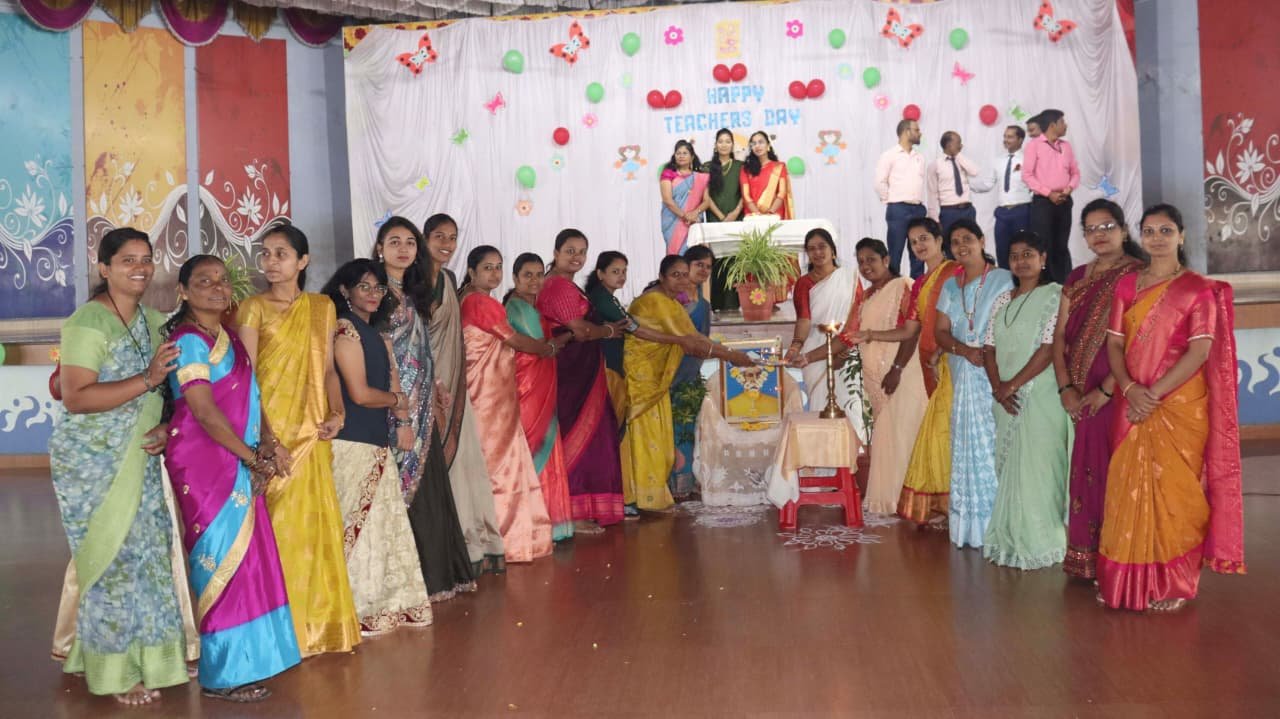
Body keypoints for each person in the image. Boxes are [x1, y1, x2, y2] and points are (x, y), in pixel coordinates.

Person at [48, 228, 189, 705]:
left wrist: (166, 425)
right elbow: (76, 397)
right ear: (104, 268)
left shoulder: (155, 321)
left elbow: (171, 389)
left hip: (141, 456)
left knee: (149, 556)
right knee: (113, 562)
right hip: (92, 462)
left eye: (146, 259)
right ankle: (114, 672)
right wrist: (146, 378)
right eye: (128, 260)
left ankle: (156, 660)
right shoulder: (88, 322)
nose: (140, 268)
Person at [162, 255, 301, 701]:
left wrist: (269, 442)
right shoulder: (187, 341)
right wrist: (252, 459)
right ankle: (222, 674)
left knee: (249, 561)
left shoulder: (229, 337)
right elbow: (203, 412)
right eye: (204, 281)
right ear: (183, 291)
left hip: (238, 457)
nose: (217, 288)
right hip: (205, 463)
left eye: (222, 281)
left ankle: (253, 658)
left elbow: (252, 397)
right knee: (220, 559)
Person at [1098, 204, 1245, 612]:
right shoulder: (1127, 285)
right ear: (1140, 237)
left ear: (1181, 236)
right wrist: (1130, 388)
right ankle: (1123, 579)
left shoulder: (1197, 289)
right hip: (1131, 401)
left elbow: (1199, 351)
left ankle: (1174, 583)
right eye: (1149, 231)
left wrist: (1153, 395)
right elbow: (1114, 343)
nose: (1157, 238)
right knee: (1125, 488)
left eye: (1166, 231)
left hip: (1178, 404)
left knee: (1177, 493)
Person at [236, 221, 361, 657]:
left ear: (303, 261)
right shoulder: (252, 308)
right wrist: (267, 439)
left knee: (313, 532)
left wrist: (338, 413)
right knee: (277, 532)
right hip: (272, 437)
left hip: (312, 432)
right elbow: (247, 381)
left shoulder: (322, 307)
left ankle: (317, 628)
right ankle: (277, 633)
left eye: (281, 254)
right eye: (266, 253)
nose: (271, 262)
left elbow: (327, 370)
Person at [322, 258, 433, 634]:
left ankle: (381, 605)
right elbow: (359, 394)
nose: (372, 294)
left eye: (378, 287)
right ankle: (356, 607)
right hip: (351, 441)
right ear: (345, 291)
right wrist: (397, 402)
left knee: (380, 526)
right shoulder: (345, 329)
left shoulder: (373, 332)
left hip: (373, 440)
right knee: (357, 525)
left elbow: (385, 385)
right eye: (364, 286)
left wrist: (400, 418)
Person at [374, 217, 481, 595]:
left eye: (409, 243)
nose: (403, 249)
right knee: (403, 488)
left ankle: (437, 576)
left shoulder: (414, 292)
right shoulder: (374, 292)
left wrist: (434, 385)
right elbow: (383, 353)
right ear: (379, 248)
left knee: (431, 487)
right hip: (392, 406)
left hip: (421, 402)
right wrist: (401, 411)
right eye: (394, 242)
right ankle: (407, 583)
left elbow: (419, 348)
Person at [409, 213, 506, 577]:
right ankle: (442, 548)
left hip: (454, 388)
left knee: (464, 463)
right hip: (422, 386)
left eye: (452, 237)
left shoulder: (449, 280)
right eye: (439, 236)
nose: (446, 244)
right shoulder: (413, 281)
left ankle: (473, 542)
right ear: (425, 238)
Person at [1052, 199, 1144, 580]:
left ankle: (1120, 559)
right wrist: (1065, 389)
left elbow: (1139, 341)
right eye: (1091, 229)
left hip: (1121, 393)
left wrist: (1106, 390)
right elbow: (1059, 337)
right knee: (1087, 471)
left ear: (1123, 230)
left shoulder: (1138, 275)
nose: (1100, 235)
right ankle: (1088, 556)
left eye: (1107, 227)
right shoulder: (1077, 278)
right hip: (1079, 394)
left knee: (1119, 472)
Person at [623, 255, 754, 512]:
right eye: (676, 275)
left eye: (685, 275)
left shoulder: (672, 303)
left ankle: (650, 496)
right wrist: (733, 356)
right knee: (646, 439)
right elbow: (693, 343)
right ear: (661, 277)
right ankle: (641, 498)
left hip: (656, 382)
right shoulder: (656, 301)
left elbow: (693, 339)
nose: (682, 280)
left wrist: (730, 355)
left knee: (659, 441)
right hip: (642, 382)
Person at [459, 246, 556, 562]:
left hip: (492, 395)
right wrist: (546, 349)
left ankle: (501, 539)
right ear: (471, 272)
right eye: (487, 267)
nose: (494, 273)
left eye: (498, 267)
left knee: (496, 464)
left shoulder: (471, 300)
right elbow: (513, 339)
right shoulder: (479, 302)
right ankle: (504, 541)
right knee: (499, 467)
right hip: (488, 399)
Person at [980, 232, 1071, 569]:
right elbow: (988, 348)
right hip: (1005, 396)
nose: (1021, 261)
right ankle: (1010, 538)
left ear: (1043, 258)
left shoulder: (1056, 295)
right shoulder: (1002, 300)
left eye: (1028, 254)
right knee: (1011, 471)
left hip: (1040, 396)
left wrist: (1012, 386)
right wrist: (998, 388)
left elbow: (1049, 348)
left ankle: (1042, 541)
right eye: (1014, 255)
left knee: (1040, 469)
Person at [537, 229, 631, 532]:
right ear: (556, 253)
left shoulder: (566, 285)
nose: (576, 257)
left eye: (581, 252)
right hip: (572, 376)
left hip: (582, 374)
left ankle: (583, 508)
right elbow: (579, 330)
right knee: (577, 438)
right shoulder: (558, 286)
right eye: (570, 251)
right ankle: (571, 513)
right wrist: (608, 331)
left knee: (593, 439)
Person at [934, 219, 1014, 549]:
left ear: (982, 240)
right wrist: (964, 350)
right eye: (955, 242)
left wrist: (987, 353)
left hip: (996, 373)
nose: (962, 246)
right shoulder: (950, 286)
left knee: (997, 443)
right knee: (965, 444)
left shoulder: (1003, 279)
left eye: (968, 238)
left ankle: (1001, 523)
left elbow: (1012, 324)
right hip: (963, 369)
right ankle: (972, 526)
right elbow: (940, 331)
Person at [842, 239, 928, 514]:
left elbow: (912, 331)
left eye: (871, 259)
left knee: (905, 434)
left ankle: (911, 501)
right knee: (889, 438)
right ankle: (894, 500)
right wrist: (808, 356)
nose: (866, 266)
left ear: (886, 260)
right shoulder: (866, 296)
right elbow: (847, 337)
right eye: (861, 262)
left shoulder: (903, 285)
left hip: (902, 374)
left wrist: (897, 369)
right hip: (877, 380)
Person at [891, 219, 960, 526]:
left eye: (924, 238)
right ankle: (947, 504)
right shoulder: (919, 283)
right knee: (942, 435)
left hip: (954, 363)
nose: (919, 245)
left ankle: (954, 505)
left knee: (943, 433)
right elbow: (910, 330)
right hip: (928, 365)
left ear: (939, 239)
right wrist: (868, 334)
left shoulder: (956, 272)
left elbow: (962, 319)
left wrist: (944, 351)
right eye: (913, 242)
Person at [505, 253, 575, 542]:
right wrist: (566, 337)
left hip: (541, 385)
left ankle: (550, 522)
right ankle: (531, 525)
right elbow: (541, 347)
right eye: (527, 275)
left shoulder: (533, 306)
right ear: (515, 278)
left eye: (538, 275)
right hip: (528, 388)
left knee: (546, 447)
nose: (534, 280)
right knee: (534, 446)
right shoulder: (517, 307)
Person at [784, 229, 858, 424]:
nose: (817, 252)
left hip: (849, 347)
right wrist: (795, 347)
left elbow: (858, 315)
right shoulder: (803, 283)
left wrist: (845, 348)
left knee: (852, 406)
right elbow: (804, 319)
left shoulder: (850, 277)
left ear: (832, 250)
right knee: (821, 405)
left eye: (822, 247)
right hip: (815, 348)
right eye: (811, 249)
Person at [670, 245, 715, 500]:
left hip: (690, 374)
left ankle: (686, 481)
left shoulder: (704, 304)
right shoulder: (671, 298)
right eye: (699, 265)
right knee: (671, 430)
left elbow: (703, 340)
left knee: (689, 429)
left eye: (708, 267)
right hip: (668, 374)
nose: (704, 270)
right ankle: (671, 483)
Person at [1022, 109, 1080, 283]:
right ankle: (1045, 284)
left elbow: (1075, 172)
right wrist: (1049, 193)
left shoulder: (1066, 146)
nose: (1065, 125)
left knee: (1062, 244)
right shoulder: (1034, 145)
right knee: (1044, 245)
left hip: (1064, 200)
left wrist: (1069, 188)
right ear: (1053, 125)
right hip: (1043, 202)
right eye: (1062, 122)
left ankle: (1066, 283)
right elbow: (1027, 176)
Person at [972, 125, 1033, 269]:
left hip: (1022, 211)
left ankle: (1023, 279)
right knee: (1002, 250)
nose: (1006, 140)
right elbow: (988, 184)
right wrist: (967, 184)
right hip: (1002, 212)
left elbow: (1035, 184)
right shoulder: (998, 161)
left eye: (1010, 137)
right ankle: (1005, 280)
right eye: (1005, 136)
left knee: (1022, 249)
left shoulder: (1029, 160)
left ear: (1020, 139)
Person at [874, 119, 928, 277]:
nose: (920, 133)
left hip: (918, 209)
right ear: (906, 132)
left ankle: (917, 288)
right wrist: (891, 201)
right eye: (916, 130)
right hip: (898, 209)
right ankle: (893, 288)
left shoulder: (920, 157)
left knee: (919, 253)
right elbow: (879, 182)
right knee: (895, 253)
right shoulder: (889, 155)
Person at [585, 251, 632, 431]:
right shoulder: (601, 298)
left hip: (611, 363)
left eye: (624, 271)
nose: (622, 276)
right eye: (615, 271)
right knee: (611, 420)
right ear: (600, 274)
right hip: (606, 366)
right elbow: (633, 326)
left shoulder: (608, 297)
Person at [660, 139, 710, 255]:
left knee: (695, 256)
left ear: (692, 157)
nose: (681, 156)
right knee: (676, 256)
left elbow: (707, 201)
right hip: (673, 221)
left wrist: (695, 213)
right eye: (678, 153)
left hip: (694, 221)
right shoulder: (668, 174)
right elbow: (667, 200)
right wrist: (685, 216)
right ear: (674, 156)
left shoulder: (701, 177)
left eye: (685, 153)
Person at [926, 131, 980, 237]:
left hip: (968, 210)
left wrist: (958, 155)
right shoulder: (935, 165)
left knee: (970, 241)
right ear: (949, 145)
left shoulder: (962, 161)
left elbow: (975, 171)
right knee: (949, 242)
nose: (961, 145)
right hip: (948, 212)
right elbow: (932, 193)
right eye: (958, 142)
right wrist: (934, 219)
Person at [740, 131, 793, 219]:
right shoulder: (745, 169)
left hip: (774, 215)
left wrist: (770, 213)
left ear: (768, 145)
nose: (757, 146)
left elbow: (781, 193)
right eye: (754, 144)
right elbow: (746, 195)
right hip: (753, 216)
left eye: (761, 142)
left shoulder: (779, 167)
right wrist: (758, 215)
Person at [703, 128, 744, 223]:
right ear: (715, 145)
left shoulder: (741, 166)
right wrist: (722, 217)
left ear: (732, 145)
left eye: (728, 142)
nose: (724, 145)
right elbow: (705, 196)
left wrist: (735, 213)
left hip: (737, 219)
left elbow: (745, 193)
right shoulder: (706, 167)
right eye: (720, 142)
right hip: (714, 219)